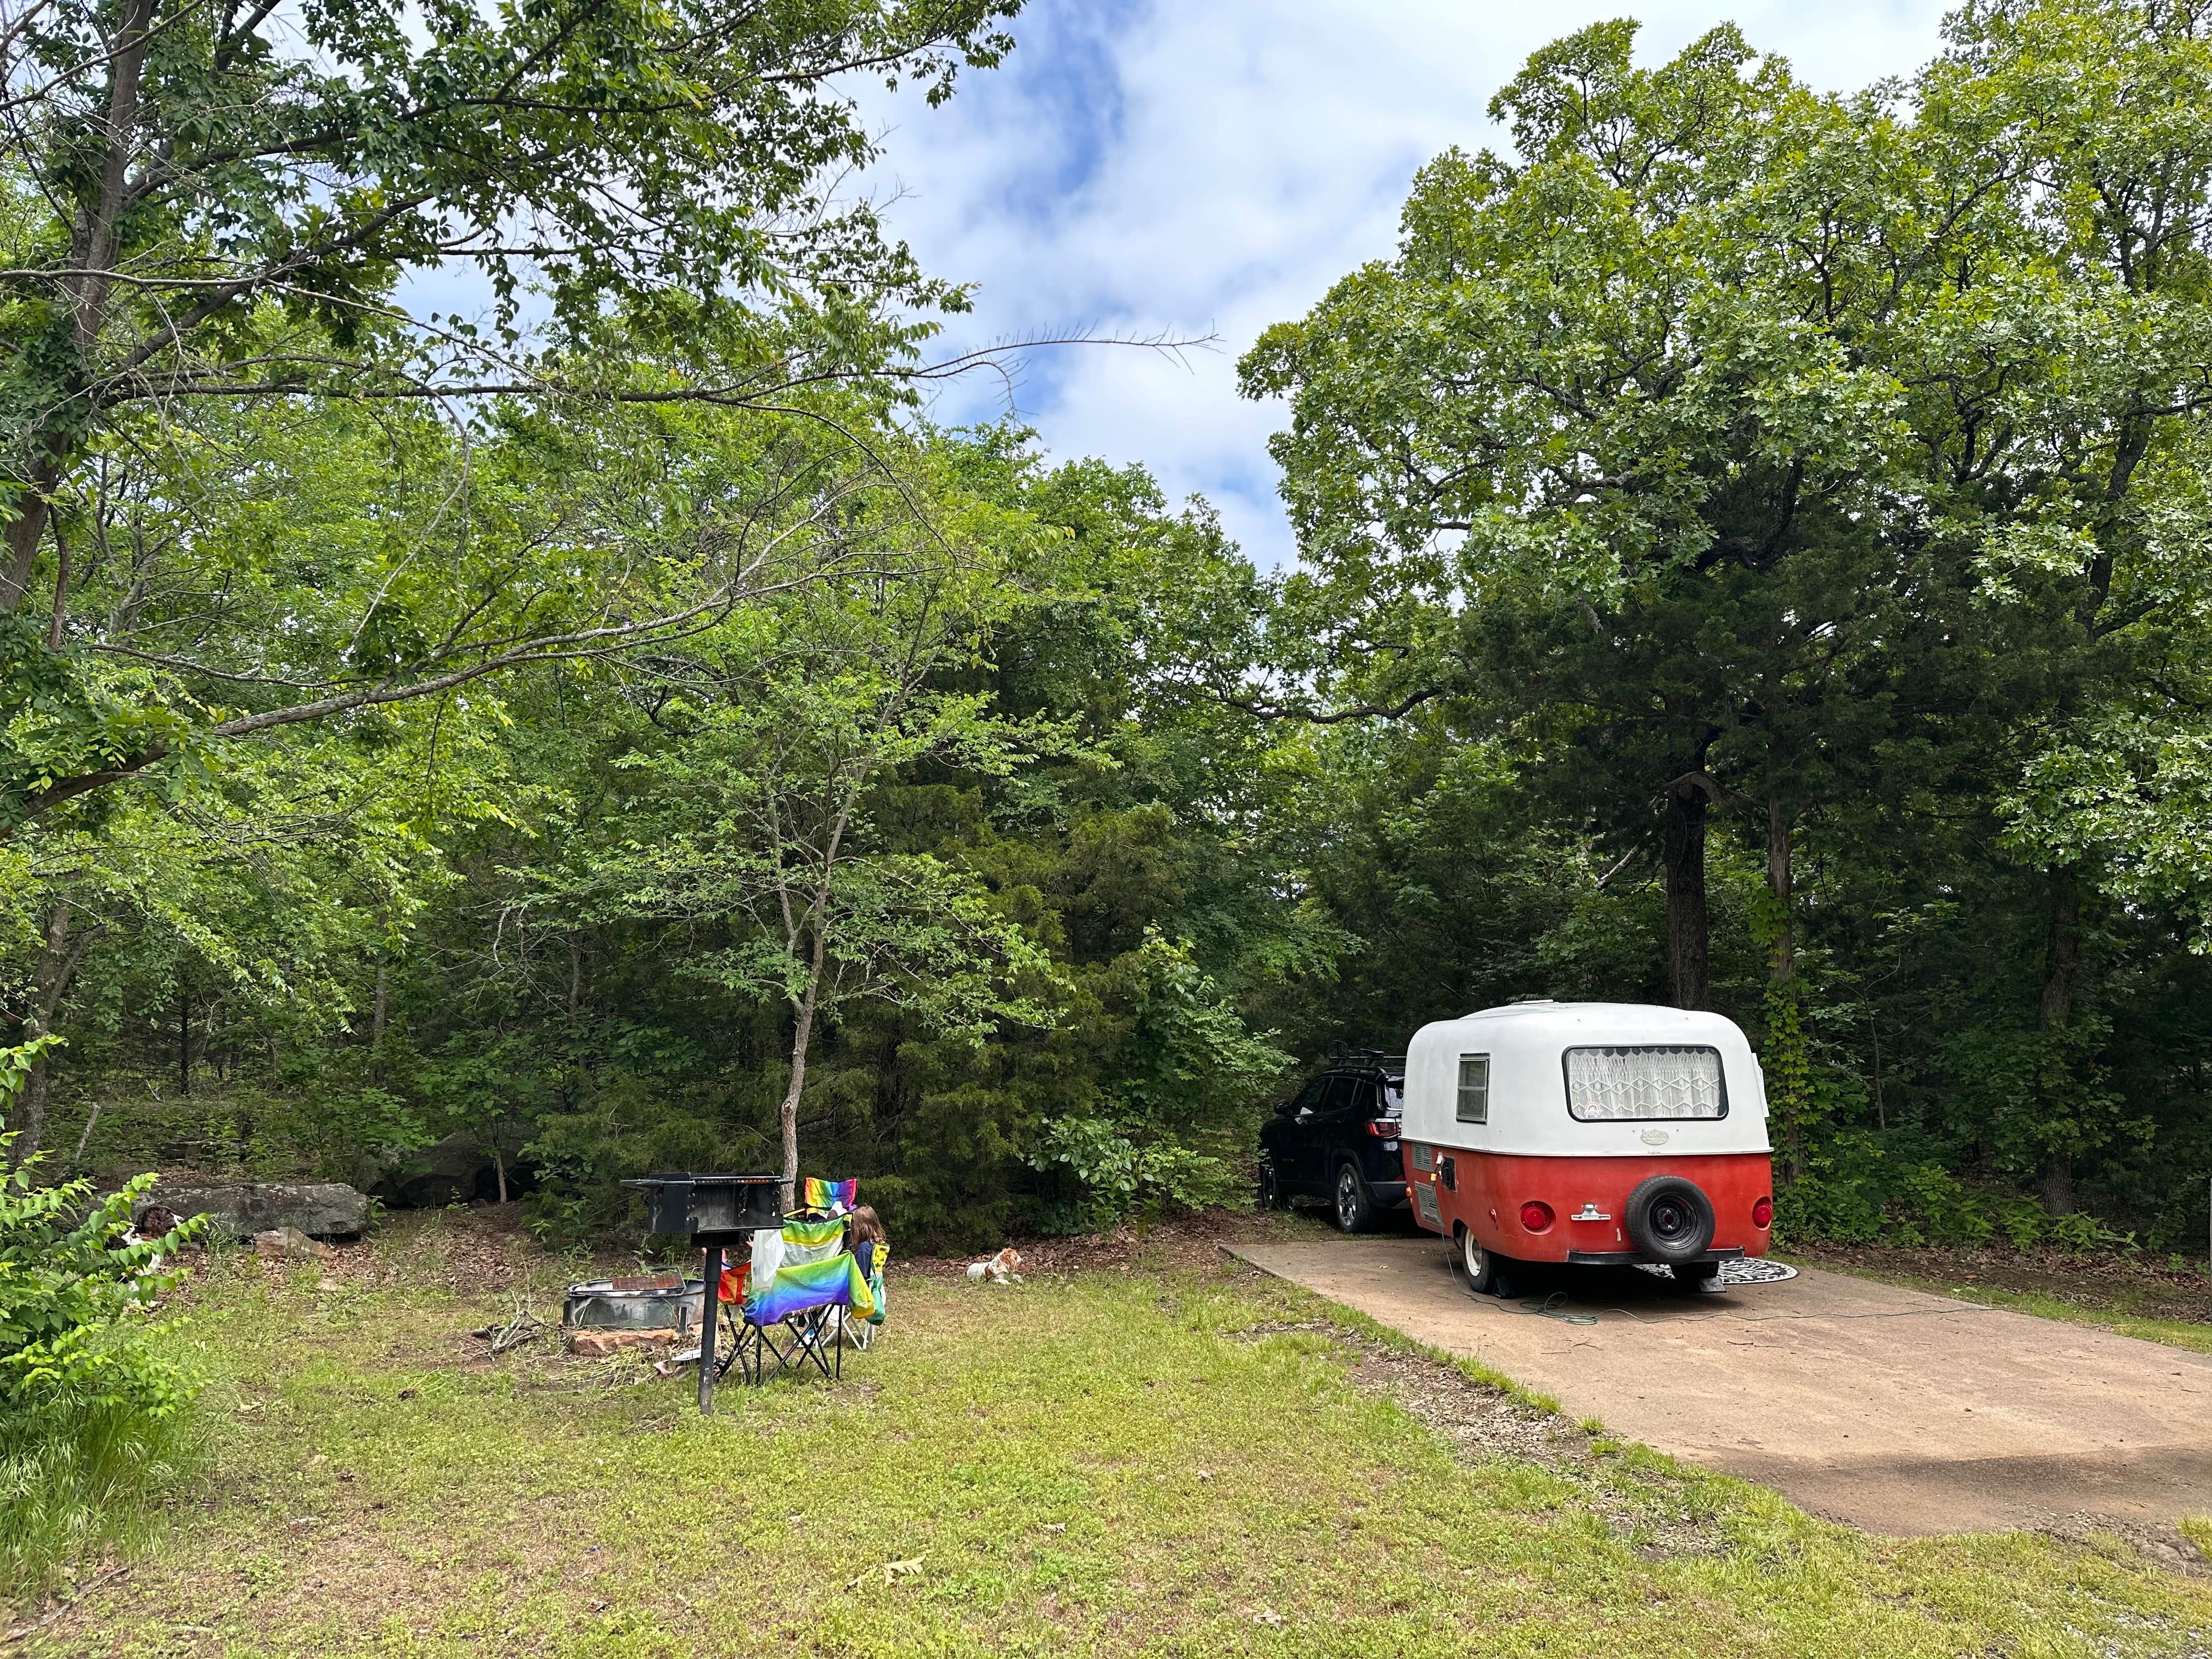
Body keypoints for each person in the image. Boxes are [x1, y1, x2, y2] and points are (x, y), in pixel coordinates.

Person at [847, 1205, 886, 1279]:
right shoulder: (877, 1245)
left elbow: (861, 1279)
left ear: (861, 1229)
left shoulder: (863, 1250)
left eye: (853, 1225)